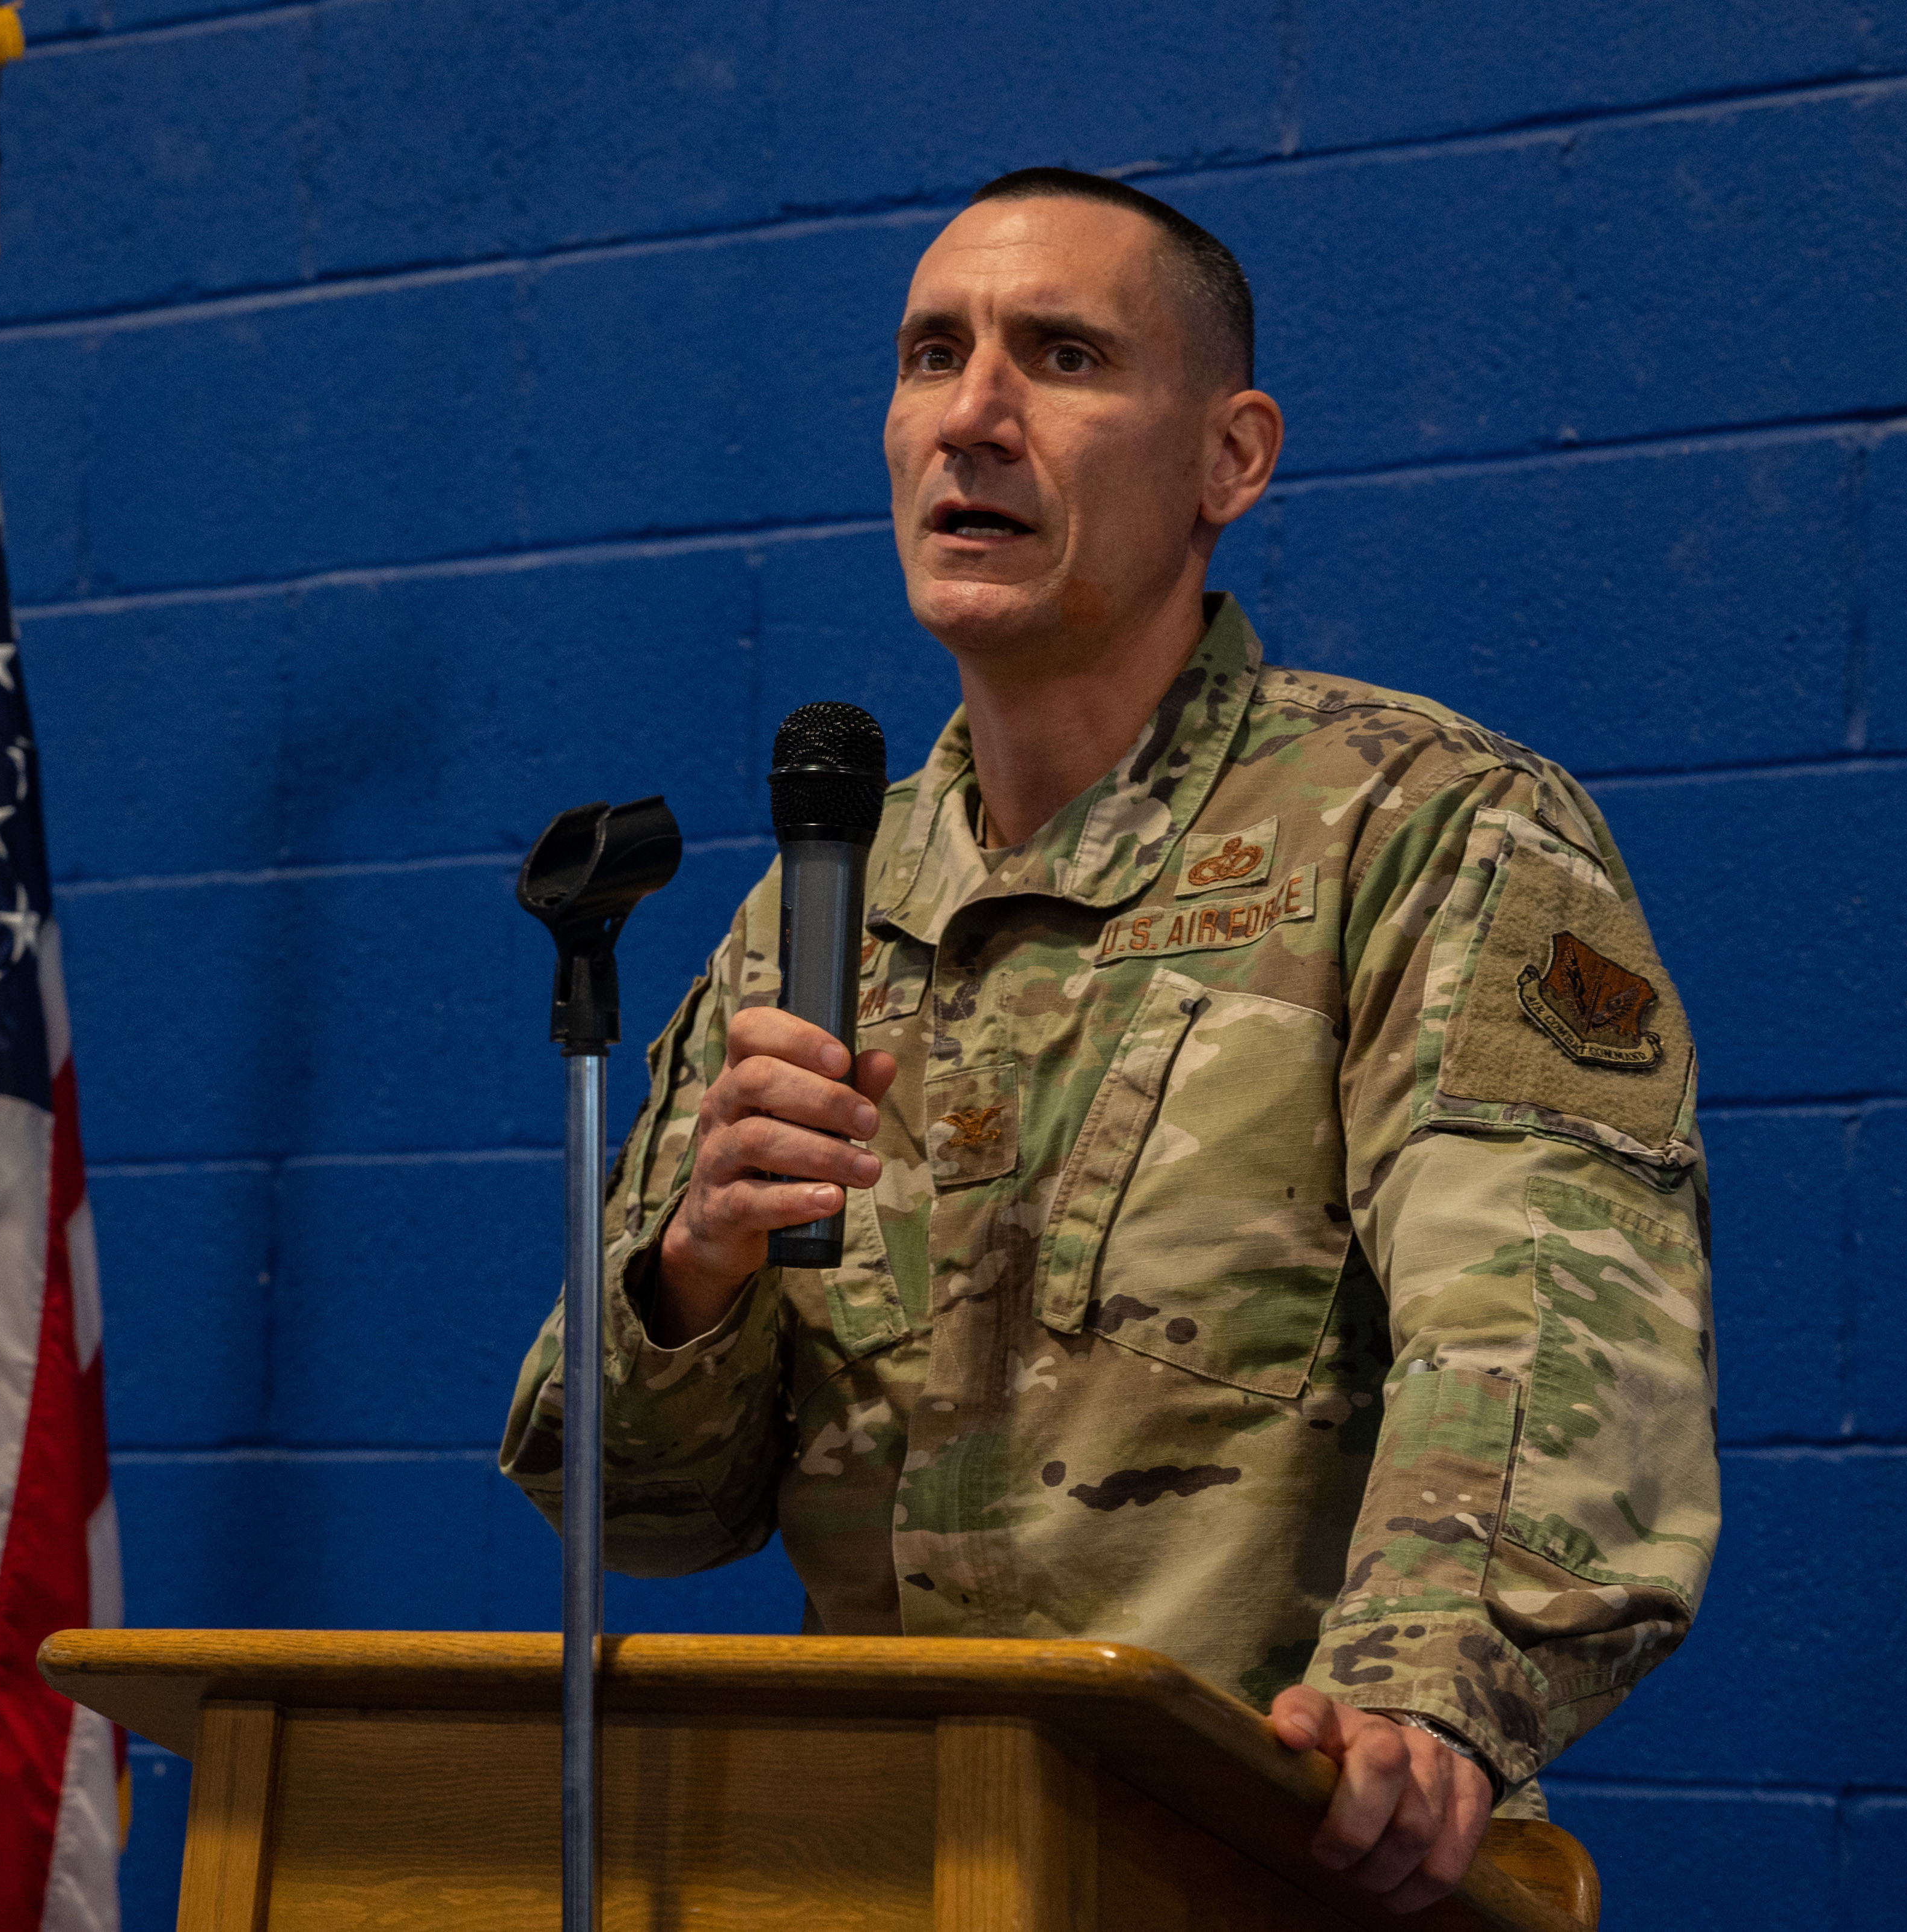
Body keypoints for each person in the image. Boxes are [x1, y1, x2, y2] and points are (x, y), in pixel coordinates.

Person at [498, 167, 1717, 1913]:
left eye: (1061, 357)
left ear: (1233, 458)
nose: (973, 417)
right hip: (872, 1869)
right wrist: (693, 1273)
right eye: (933, 356)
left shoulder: (1421, 832)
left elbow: (1547, 1331)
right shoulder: (816, 915)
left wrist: (1421, 1694)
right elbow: (644, 1515)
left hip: (1247, 1855)